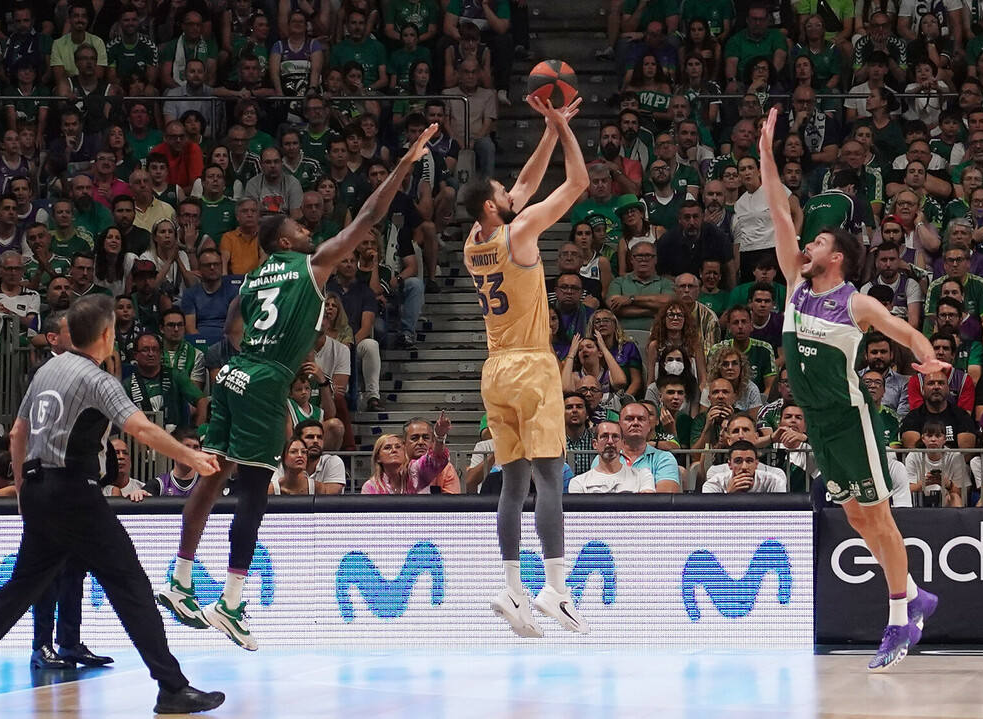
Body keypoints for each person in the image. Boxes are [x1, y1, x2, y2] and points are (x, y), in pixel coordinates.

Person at [156, 123, 442, 649]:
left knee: (213, 474)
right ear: (284, 240)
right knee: (252, 493)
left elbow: (233, 329)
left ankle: (178, 578)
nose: (311, 230)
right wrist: (405, 164)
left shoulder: (253, 279)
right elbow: (370, 216)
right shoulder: (310, 266)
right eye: (300, 227)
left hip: (234, 374)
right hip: (265, 382)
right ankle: (233, 601)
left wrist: (268, 350)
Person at [0, 295, 224, 715]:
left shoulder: (48, 368)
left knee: (18, 591)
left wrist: (24, 489)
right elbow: (139, 428)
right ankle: (171, 687)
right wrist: (193, 458)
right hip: (73, 493)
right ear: (105, 335)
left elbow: (18, 432)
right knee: (130, 583)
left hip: (42, 490)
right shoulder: (98, 380)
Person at [759, 107, 940, 671]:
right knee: (858, 519)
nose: (804, 246)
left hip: (850, 417)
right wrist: (765, 152)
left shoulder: (854, 301)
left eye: (816, 242)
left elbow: (900, 328)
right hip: (814, 420)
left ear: (835, 256)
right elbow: (775, 207)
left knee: (879, 517)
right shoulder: (794, 282)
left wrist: (927, 353)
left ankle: (898, 620)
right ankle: (916, 594)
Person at [458, 95, 590, 639]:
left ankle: (510, 586)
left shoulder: (475, 240)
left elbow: (523, 189)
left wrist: (546, 133)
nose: (508, 193)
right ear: (493, 208)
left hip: (493, 370)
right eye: (499, 194)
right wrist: (563, 128)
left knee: (511, 484)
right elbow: (577, 183)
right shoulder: (521, 233)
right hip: (533, 366)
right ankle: (556, 588)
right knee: (550, 479)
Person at [567, 420, 654, 493]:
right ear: (595, 444)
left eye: (615, 436)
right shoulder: (578, 482)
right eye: (604, 436)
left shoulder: (642, 476)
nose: (610, 441)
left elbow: (647, 508)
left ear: (622, 443)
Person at [702, 440, 787, 493]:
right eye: (738, 461)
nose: (744, 467)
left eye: (749, 461)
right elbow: (710, 518)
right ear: (730, 465)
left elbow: (781, 516)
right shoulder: (714, 484)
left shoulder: (774, 482)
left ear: (756, 464)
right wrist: (728, 496)